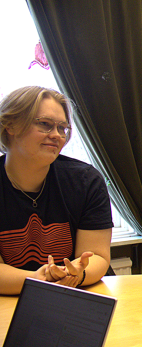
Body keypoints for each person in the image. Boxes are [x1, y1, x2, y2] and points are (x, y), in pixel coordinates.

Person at [0, 86, 112, 295]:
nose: (57, 135)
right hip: (13, 299)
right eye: (45, 124)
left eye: (62, 128)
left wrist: (76, 274)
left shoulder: (86, 181)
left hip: (79, 294)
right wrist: (37, 279)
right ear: (10, 125)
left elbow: (97, 256)